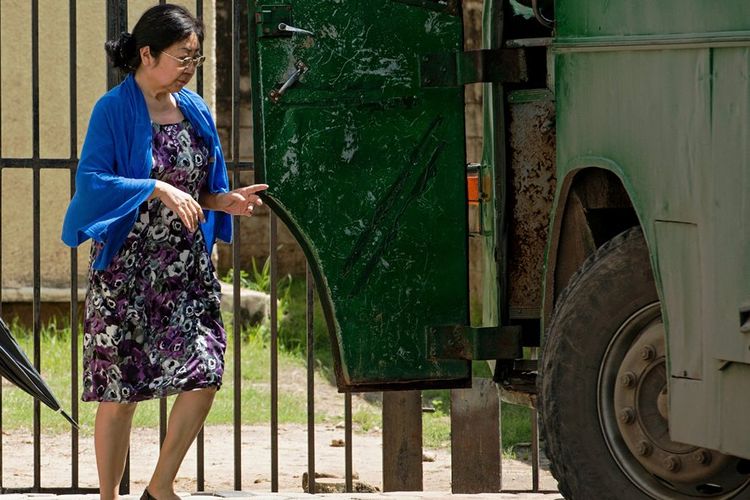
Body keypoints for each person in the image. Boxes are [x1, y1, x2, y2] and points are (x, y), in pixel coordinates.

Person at [61, 4, 267, 500]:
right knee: (121, 392)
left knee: (205, 373)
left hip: (185, 270)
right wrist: (154, 187)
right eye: (182, 57)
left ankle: (159, 488)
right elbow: (92, 182)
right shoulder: (112, 108)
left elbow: (203, 188)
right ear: (147, 54)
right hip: (128, 271)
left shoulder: (193, 109)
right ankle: (110, 496)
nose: (189, 67)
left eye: (195, 58)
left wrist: (227, 201)